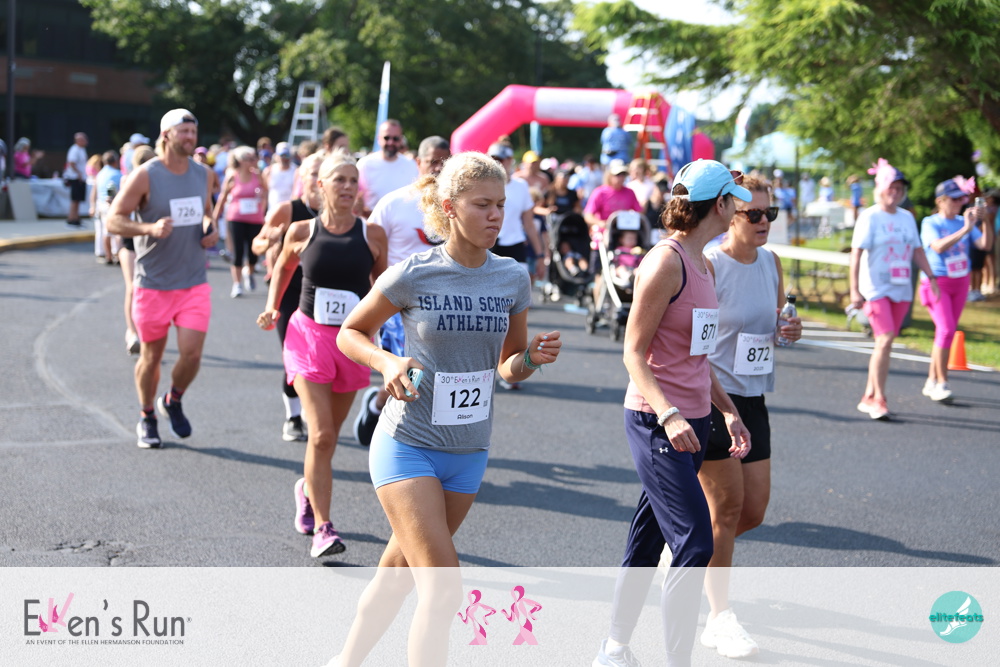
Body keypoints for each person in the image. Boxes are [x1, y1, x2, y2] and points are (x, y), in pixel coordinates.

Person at [329, 152, 561, 667]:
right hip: (408, 444)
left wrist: (530, 359)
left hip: (469, 451)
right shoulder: (414, 273)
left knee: (398, 574)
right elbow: (350, 332)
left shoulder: (512, 278)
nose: (496, 216)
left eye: (501, 205)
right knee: (443, 590)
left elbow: (508, 367)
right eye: (482, 205)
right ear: (450, 207)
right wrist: (387, 362)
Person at [594, 158, 752, 667]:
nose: (739, 210)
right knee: (695, 544)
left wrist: (728, 411)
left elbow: (697, 357)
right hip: (657, 422)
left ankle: (613, 650)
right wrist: (668, 414)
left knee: (647, 542)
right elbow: (633, 353)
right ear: (719, 204)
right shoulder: (666, 262)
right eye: (734, 202)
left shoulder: (705, 264)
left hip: (695, 422)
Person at [257, 149, 388, 558]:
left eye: (353, 180)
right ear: (320, 185)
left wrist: (384, 333)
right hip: (308, 336)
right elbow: (283, 267)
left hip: (352, 342)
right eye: (339, 180)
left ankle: (306, 488)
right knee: (322, 434)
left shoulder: (372, 235)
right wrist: (273, 306)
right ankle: (324, 529)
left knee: (327, 442)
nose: (348, 187)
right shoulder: (301, 230)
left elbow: (382, 288)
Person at [699, 175, 802, 659]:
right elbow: (692, 343)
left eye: (770, 214)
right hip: (712, 400)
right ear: (728, 214)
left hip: (753, 398)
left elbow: (776, 324)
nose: (764, 222)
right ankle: (719, 618)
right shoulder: (710, 264)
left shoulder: (771, 261)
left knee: (753, 511)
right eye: (754, 214)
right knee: (726, 510)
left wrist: (788, 330)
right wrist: (719, 406)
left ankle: (688, 551)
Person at [106, 108, 218, 449]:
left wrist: (210, 230)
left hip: (193, 281)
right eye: (184, 132)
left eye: (193, 132)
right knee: (151, 357)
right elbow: (113, 220)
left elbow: (206, 214)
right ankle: (147, 416)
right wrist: (148, 228)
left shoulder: (203, 174)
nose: (190, 137)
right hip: (153, 284)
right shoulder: (146, 175)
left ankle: (173, 399)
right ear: (166, 135)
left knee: (192, 355)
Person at [352, 136, 451, 447]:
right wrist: (373, 295)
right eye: (433, 161)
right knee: (407, 371)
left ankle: (397, 417)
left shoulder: (455, 206)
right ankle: (381, 411)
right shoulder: (395, 202)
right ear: (418, 162)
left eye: (445, 162)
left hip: (444, 305)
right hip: (398, 304)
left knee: (432, 374)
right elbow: (370, 246)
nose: (439, 168)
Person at [849, 159, 937, 420]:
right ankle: (879, 399)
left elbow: (917, 250)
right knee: (885, 339)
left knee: (884, 343)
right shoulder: (870, 217)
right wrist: (854, 290)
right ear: (880, 188)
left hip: (901, 287)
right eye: (892, 187)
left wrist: (932, 277)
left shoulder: (907, 218)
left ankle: (868, 396)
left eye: (900, 188)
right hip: (875, 288)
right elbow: (856, 254)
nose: (896, 192)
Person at [251, 152, 325, 442]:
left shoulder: (340, 214)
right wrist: (268, 240)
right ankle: (294, 416)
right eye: (313, 173)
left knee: (322, 357)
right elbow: (257, 244)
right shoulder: (287, 210)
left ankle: (312, 409)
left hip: (324, 292)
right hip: (290, 290)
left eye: (323, 173)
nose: (318, 180)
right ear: (302, 178)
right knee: (294, 355)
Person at [919, 178, 993, 402]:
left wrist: (986, 220)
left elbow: (985, 245)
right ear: (940, 201)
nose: (959, 203)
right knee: (946, 330)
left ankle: (931, 380)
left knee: (945, 332)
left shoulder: (964, 221)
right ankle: (942, 383)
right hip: (937, 281)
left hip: (960, 281)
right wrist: (966, 229)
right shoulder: (930, 222)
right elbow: (938, 247)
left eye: (961, 199)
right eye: (954, 199)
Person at [584, 158, 642, 305]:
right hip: (603, 238)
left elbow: (639, 213)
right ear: (609, 175)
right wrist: (601, 223)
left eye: (623, 175)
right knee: (600, 273)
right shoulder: (600, 192)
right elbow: (588, 215)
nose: (620, 178)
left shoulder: (629, 193)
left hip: (622, 239)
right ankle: (598, 305)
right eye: (617, 175)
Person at [117, 144, 157, 356]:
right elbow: (117, 216)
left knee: (150, 290)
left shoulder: (160, 183)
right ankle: (132, 332)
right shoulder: (127, 181)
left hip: (151, 240)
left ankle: (146, 331)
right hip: (131, 240)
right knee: (133, 286)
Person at [214, 146, 268, 298]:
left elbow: (266, 192)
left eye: (253, 158)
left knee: (253, 252)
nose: (252, 161)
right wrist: (215, 216)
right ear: (241, 161)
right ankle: (237, 284)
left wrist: (263, 208)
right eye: (249, 159)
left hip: (255, 218)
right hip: (236, 217)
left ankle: (249, 271)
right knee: (237, 252)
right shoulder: (232, 176)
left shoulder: (258, 176)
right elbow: (223, 196)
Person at [488, 141, 545, 284]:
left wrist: (540, 256)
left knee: (519, 290)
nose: (497, 164)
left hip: (515, 244)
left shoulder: (521, 186)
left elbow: (529, 224)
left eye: (501, 159)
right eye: (493, 160)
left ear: (510, 160)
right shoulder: (482, 186)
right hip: (489, 246)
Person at [356, 119, 419, 217]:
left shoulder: (411, 165)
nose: (390, 142)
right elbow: (356, 198)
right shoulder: (364, 164)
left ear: (401, 140)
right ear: (379, 139)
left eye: (395, 139)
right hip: (371, 223)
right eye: (386, 138)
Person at [93, 151, 122, 265]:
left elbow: (94, 191)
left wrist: (92, 206)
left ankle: (108, 256)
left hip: (101, 204)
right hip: (112, 204)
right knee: (117, 232)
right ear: (115, 161)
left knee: (106, 231)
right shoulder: (118, 174)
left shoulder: (99, 174)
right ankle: (118, 256)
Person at [64, 132, 89, 227]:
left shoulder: (82, 149)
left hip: (81, 178)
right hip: (75, 178)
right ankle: (71, 218)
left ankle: (76, 218)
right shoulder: (74, 149)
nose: (86, 141)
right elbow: (71, 163)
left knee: (78, 199)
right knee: (75, 199)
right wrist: (79, 174)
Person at [264, 141, 297, 211]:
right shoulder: (268, 171)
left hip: (290, 210)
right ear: (276, 156)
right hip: (272, 209)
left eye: (286, 155)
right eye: (282, 155)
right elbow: (265, 191)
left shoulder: (296, 170)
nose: (284, 158)